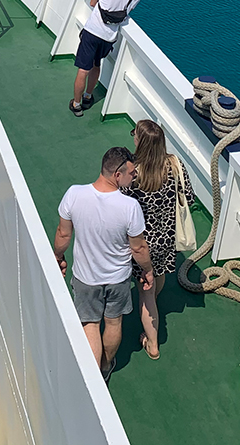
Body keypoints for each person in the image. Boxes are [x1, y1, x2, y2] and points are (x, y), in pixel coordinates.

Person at [53, 146, 154, 381]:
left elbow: (63, 235)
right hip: (118, 279)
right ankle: (106, 367)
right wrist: (148, 270)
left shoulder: (74, 195)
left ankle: (92, 378)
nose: (134, 176)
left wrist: (58, 257)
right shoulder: (130, 207)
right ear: (117, 175)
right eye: (131, 173)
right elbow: (138, 248)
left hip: (86, 278)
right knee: (113, 322)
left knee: (90, 325)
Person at [122, 119, 191, 360]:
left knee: (145, 293)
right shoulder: (174, 165)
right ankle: (154, 300)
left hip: (142, 244)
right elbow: (188, 198)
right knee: (158, 274)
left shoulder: (134, 174)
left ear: (140, 142)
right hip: (166, 238)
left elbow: (121, 207)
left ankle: (152, 343)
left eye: (135, 135)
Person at [71, 0, 142, 116]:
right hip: (109, 37)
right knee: (97, 65)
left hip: (92, 31)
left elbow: (92, 2)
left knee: (83, 69)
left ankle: (76, 104)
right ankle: (88, 96)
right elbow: (126, 11)